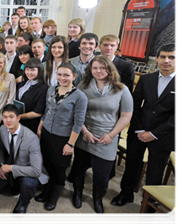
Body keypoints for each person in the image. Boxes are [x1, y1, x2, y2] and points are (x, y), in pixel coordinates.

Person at [111, 43, 179, 224]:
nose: (166, 60)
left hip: (164, 135)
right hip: (140, 131)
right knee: (132, 164)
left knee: (155, 172)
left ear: (178, 59)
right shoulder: (147, 79)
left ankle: (149, 207)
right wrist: (140, 129)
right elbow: (135, 104)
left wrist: (154, 134)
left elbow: (178, 116)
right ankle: (126, 194)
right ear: (156, 58)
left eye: (171, 57)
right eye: (163, 56)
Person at [71, 56, 133, 216]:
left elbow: (126, 116)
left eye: (103, 68)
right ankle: (77, 193)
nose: (99, 71)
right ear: (90, 70)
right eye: (95, 68)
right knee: (78, 168)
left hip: (107, 138)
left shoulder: (121, 89)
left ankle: (97, 199)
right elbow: (76, 111)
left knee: (102, 174)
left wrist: (112, 135)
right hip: (85, 134)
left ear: (110, 70)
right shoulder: (82, 86)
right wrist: (84, 131)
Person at [34, 63, 88, 211]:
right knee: (48, 164)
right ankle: (47, 190)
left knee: (59, 169)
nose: (62, 78)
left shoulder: (80, 97)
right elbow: (47, 110)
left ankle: (53, 197)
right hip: (46, 134)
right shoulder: (52, 89)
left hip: (63, 138)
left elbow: (78, 123)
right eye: (59, 74)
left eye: (66, 75)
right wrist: (40, 128)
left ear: (74, 76)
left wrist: (70, 144)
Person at [0, 104, 46, 219]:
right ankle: (13, 185)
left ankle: (23, 203)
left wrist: (9, 168)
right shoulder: (2, 129)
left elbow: (36, 171)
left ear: (18, 118)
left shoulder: (31, 138)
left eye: (11, 117)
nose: (8, 120)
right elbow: (0, 147)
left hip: (27, 170)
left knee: (28, 184)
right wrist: (1, 165)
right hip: (11, 163)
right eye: (5, 117)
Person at [15, 58, 48, 134]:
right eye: (27, 69)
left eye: (33, 70)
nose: (29, 72)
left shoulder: (43, 88)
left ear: (39, 71)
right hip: (19, 121)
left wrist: (19, 116)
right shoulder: (24, 82)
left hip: (30, 125)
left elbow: (38, 112)